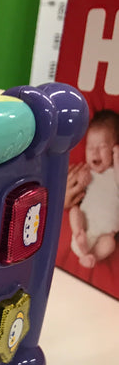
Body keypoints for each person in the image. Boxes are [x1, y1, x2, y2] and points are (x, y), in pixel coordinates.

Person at [68, 110, 119, 268]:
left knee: (109, 244)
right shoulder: (89, 173)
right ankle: (79, 236)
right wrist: (82, 180)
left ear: (114, 149)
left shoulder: (114, 173)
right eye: (90, 148)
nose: (94, 152)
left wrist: (117, 159)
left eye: (102, 147)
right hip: (85, 226)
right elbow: (77, 187)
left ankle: (91, 257)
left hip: (107, 233)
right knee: (74, 211)